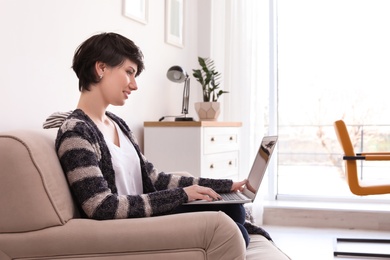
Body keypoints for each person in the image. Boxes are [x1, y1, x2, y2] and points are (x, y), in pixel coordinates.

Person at [52, 32, 270, 248]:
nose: (134, 85)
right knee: (237, 232)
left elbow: (154, 178)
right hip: (129, 227)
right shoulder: (76, 132)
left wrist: (224, 186)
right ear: (101, 68)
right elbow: (100, 205)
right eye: (129, 72)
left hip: (146, 215)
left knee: (234, 209)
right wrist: (180, 196)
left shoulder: (117, 123)